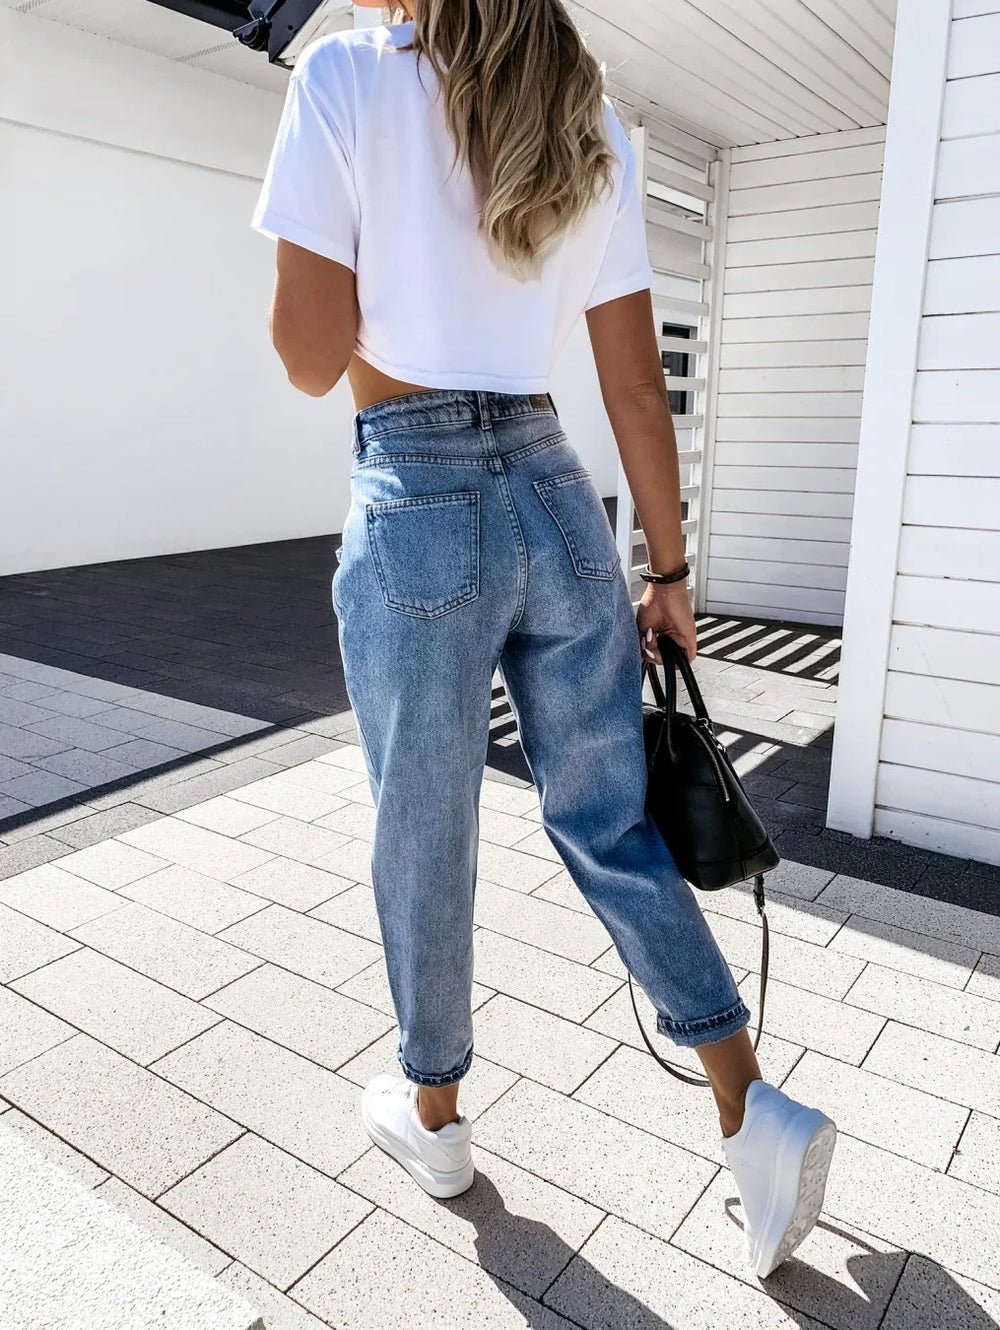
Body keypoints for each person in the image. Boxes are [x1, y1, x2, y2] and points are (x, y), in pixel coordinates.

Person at [251, 0, 836, 1280]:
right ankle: (749, 1103)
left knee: (423, 824)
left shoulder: (344, 76)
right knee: (606, 819)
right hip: (560, 496)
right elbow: (634, 389)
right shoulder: (591, 120)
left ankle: (436, 1115)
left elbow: (304, 357)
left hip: (417, 500)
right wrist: (668, 573)